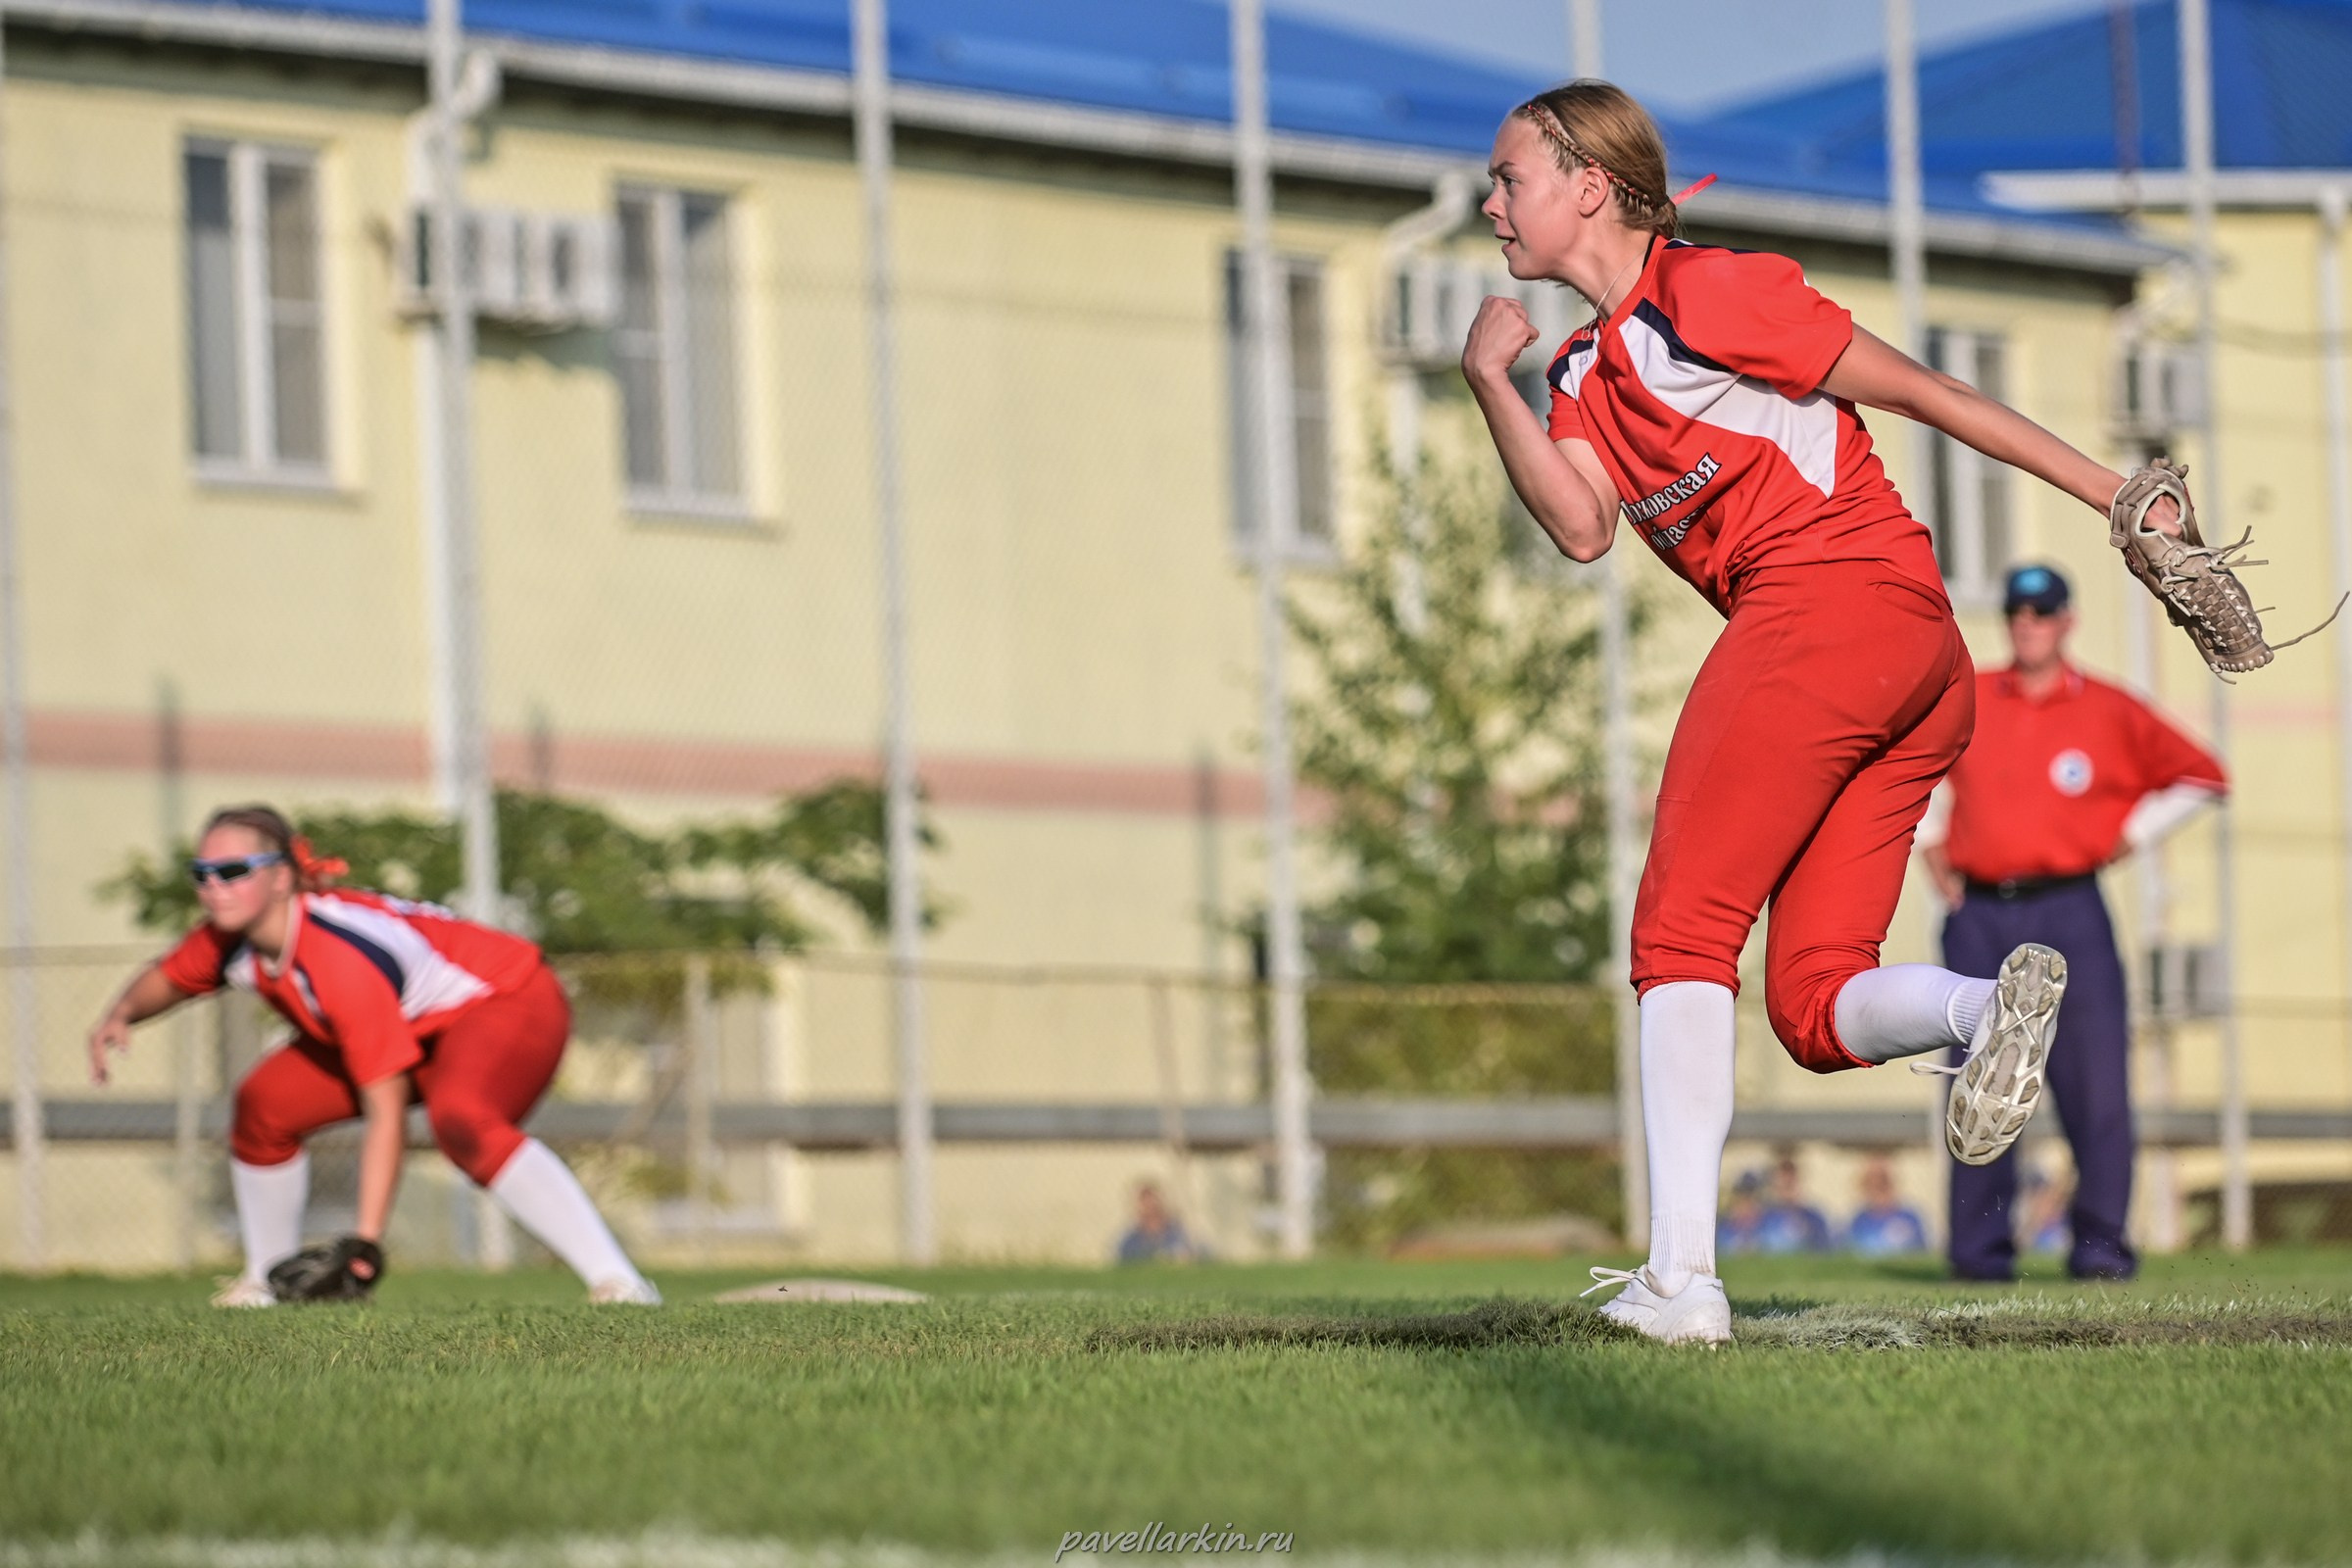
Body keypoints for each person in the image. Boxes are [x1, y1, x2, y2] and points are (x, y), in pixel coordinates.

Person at [1462, 79, 2187, 1342]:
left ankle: (1682, 1282)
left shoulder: (1712, 290)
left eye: (1508, 175)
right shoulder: (1578, 369)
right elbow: (1581, 528)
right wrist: (1491, 382)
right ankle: (1984, 1009)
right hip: (1911, 666)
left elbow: (1929, 394)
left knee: (1680, 929)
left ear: (1587, 184)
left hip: (1830, 608)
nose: (1490, 200)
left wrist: (2114, 496)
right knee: (1808, 1003)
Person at [87, 804, 662, 1306]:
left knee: (462, 1118)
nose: (215, 887)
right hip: (419, 1022)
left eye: (234, 871)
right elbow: (167, 977)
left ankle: (619, 1281)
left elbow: (384, 1112)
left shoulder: (336, 959)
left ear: (284, 878)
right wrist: (119, 1015)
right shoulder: (226, 939)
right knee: (265, 1106)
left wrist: (364, 1244)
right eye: (202, 873)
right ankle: (266, 1282)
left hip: (507, 997)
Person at [1917, 566, 2224, 1280]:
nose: (2028, 623)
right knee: (1983, 1088)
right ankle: (1981, 1253)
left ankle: (2100, 1246)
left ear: (2066, 621)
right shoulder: (1969, 698)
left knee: (2095, 1086)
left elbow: (2203, 776)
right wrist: (1929, 841)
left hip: (2070, 910)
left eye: (2043, 611)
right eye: (2018, 611)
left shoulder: (2108, 709)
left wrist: (2134, 833)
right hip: (1981, 914)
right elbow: (1916, 768)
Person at [1843, 1152, 1930, 1256]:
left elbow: (1921, 1253)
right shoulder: (1858, 1221)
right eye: (1872, 1181)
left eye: (1882, 1181)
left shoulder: (1909, 1218)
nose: (1877, 1187)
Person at [1754, 1152, 1833, 1253]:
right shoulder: (1763, 1218)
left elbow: (1825, 1248)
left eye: (1791, 1183)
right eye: (1784, 1183)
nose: (1788, 1183)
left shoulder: (1814, 1218)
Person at [1114, 1181, 1199, 1264]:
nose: (1150, 1207)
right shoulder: (1130, 1242)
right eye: (1145, 1203)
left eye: (1153, 1202)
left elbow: (1200, 1258)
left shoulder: (1180, 1234)